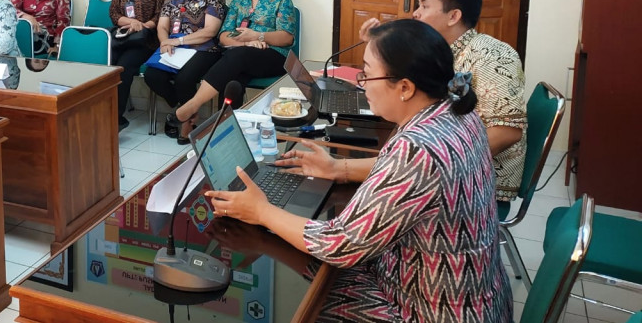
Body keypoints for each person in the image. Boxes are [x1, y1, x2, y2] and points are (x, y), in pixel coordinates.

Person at [208, 19, 512, 322]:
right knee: (304, 267)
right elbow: (407, 175)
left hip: (431, 310)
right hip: (471, 293)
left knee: (305, 301)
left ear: (405, 87)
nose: (362, 84)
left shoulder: (418, 148)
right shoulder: (455, 112)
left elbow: (338, 245)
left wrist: (262, 211)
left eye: (367, 74)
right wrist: (337, 168)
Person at [360, 0, 527, 202]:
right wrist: (377, 47)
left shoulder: (492, 55)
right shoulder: (436, 51)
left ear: (453, 16)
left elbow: (508, 131)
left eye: (424, 6)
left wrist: (440, 162)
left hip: (469, 185)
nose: (415, 13)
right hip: (428, 162)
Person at [166, 0, 297, 143]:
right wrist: (247, 43)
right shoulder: (237, 3)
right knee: (233, 79)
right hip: (243, 55)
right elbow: (223, 36)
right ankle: (225, 131)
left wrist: (258, 36)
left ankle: (193, 105)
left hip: (274, 56)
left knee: (236, 57)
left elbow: (287, 38)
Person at [142, 0, 227, 138]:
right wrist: (165, 42)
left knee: (184, 79)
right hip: (174, 46)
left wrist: (179, 41)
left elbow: (210, 31)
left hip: (204, 49)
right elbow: (162, 26)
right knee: (152, 75)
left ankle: (186, 123)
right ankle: (182, 111)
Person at [109, 0, 166, 130]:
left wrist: (142, 26)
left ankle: (115, 119)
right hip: (121, 37)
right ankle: (101, 111)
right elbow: (114, 14)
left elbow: (161, 14)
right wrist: (131, 22)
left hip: (145, 40)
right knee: (106, 68)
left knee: (123, 69)